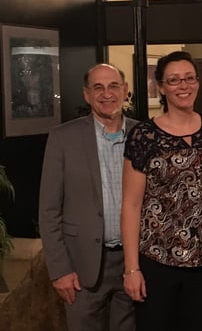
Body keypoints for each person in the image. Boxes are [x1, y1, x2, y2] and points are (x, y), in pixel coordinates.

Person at [121, 51, 202, 331]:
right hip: (157, 258)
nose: (184, 86)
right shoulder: (144, 136)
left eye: (189, 78)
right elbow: (131, 206)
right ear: (161, 87)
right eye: (174, 80)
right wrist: (131, 270)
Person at [39, 63, 137, 331]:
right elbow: (48, 211)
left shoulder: (144, 136)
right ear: (86, 95)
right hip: (82, 267)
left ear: (125, 90)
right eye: (98, 88)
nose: (107, 94)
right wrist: (60, 270)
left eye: (114, 86)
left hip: (135, 264)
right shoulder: (63, 138)